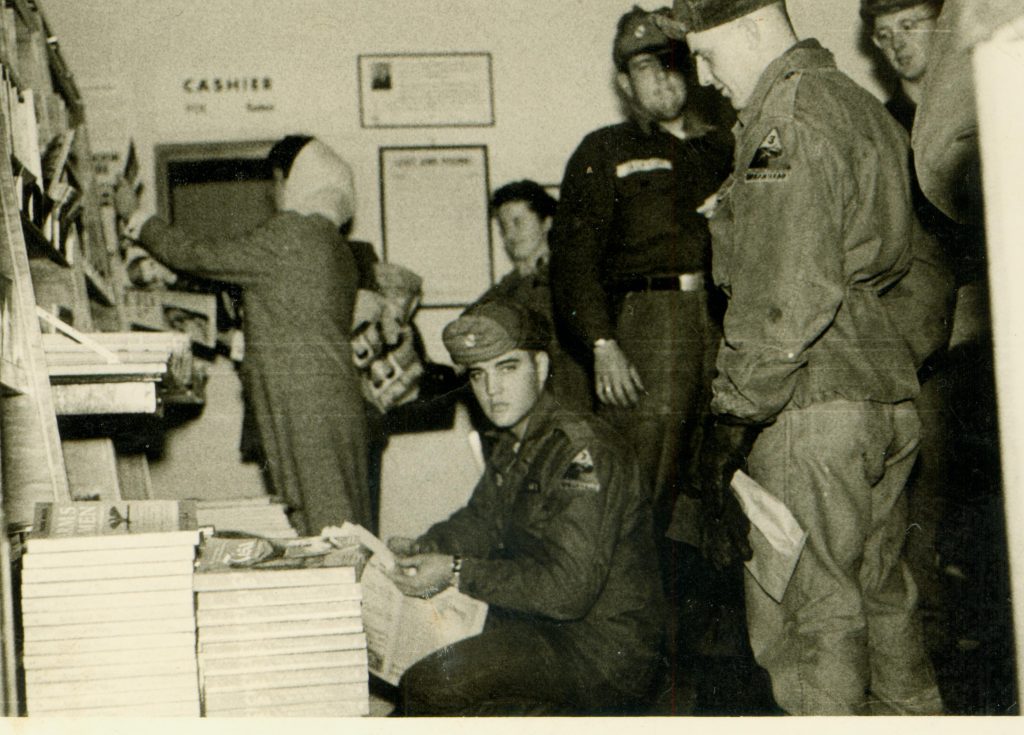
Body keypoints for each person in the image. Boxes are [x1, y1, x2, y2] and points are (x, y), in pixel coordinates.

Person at [656, 0, 943, 715]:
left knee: (810, 630)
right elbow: (914, 274)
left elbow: (783, 291)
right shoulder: (860, 105)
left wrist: (731, 417)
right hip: (881, 393)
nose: (701, 74)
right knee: (883, 607)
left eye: (706, 52)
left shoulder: (783, 122)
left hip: (807, 407)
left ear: (754, 26)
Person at [386, 299, 665, 716]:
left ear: (542, 366)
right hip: (542, 626)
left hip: (602, 652)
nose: (491, 390)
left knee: (430, 684)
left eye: (507, 368)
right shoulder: (517, 437)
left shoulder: (581, 450)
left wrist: (456, 570)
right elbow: (481, 520)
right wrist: (428, 546)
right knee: (420, 660)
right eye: (479, 375)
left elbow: (566, 590)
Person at [550, 4, 732, 569]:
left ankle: (708, 642)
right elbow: (573, 260)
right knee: (641, 491)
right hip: (651, 329)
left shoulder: (725, 144)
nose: (664, 77)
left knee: (722, 480)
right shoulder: (604, 151)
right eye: (647, 67)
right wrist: (602, 344)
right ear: (624, 82)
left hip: (723, 320)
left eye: (673, 63)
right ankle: (622, 632)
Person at [115, 135, 370, 536]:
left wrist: (139, 218)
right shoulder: (332, 244)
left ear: (293, 179)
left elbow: (201, 254)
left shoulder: (294, 233)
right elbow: (283, 312)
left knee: (324, 528)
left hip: (306, 404)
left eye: (277, 182)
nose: (275, 194)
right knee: (337, 520)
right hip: (327, 397)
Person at [861, 0, 961, 647]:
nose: (897, 45)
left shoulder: (985, 114)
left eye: (910, 27)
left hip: (989, 344)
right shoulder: (882, 129)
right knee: (919, 519)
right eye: (883, 35)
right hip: (920, 357)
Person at [474, 179, 590, 412]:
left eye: (518, 222)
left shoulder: (572, 276)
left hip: (571, 402)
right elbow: (472, 319)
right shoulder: (511, 285)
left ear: (547, 223)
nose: (510, 235)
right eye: (503, 227)